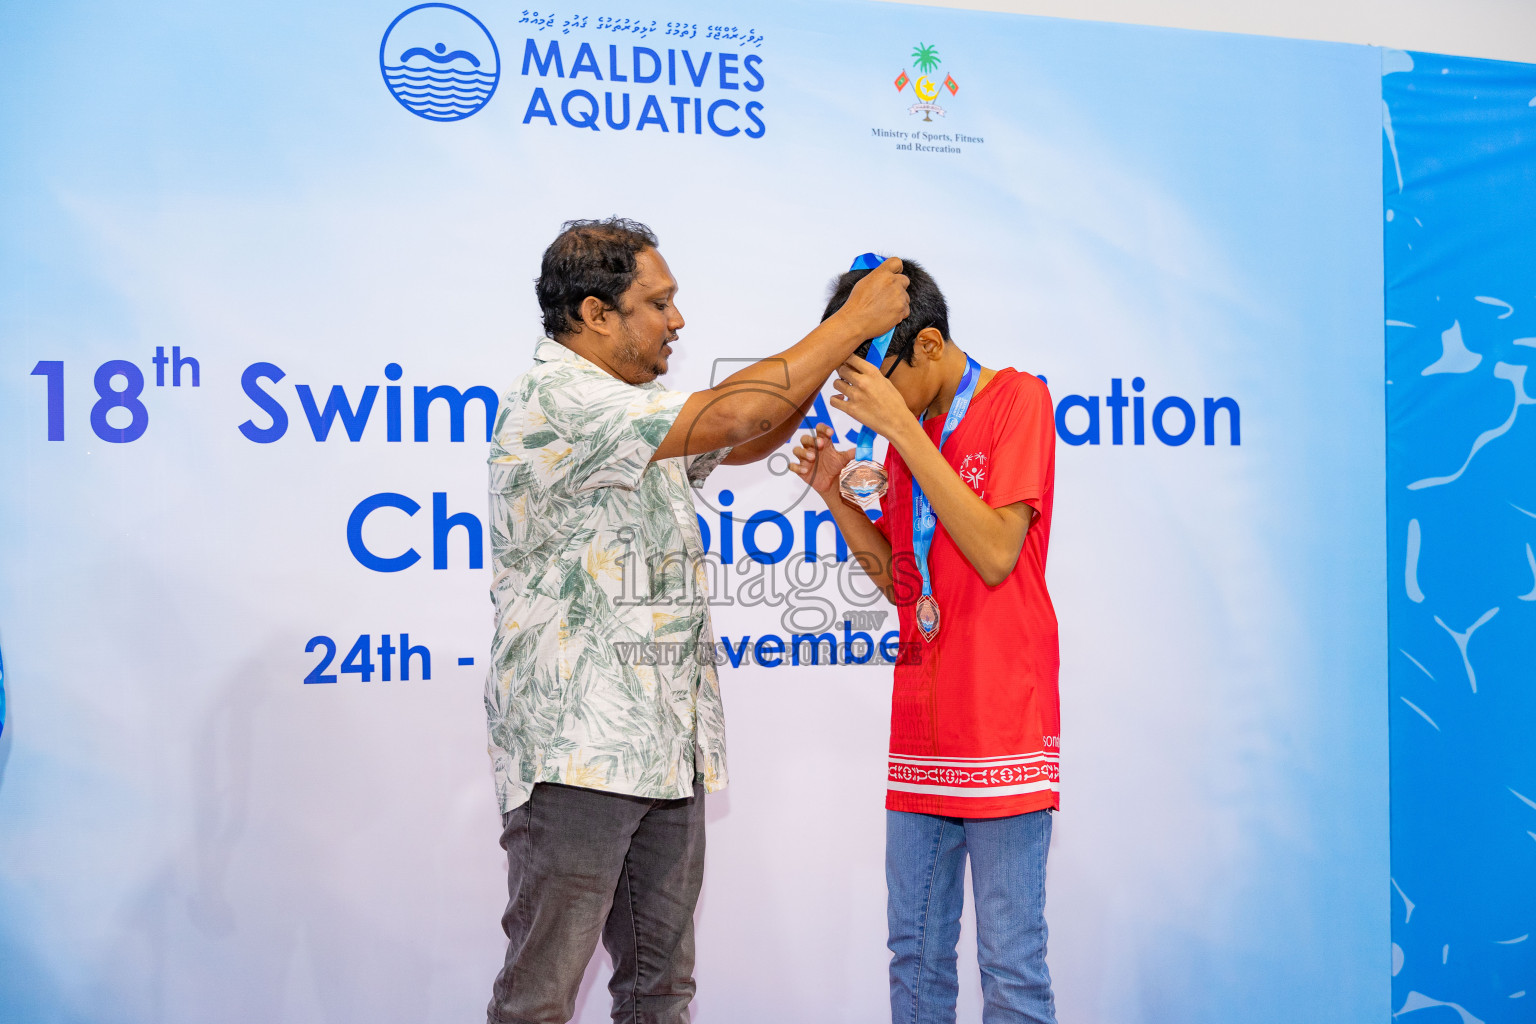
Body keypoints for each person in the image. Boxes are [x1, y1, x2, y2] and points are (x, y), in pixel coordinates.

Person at [484, 217, 909, 1024]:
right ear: (595, 313)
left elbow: (744, 435)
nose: (678, 320)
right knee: (539, 999)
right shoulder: (561, 398)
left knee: (661, 993)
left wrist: (829, 352)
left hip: (665, 750)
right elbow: (726, 418)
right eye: (659, 302)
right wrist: (849, 323)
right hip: (580, 756)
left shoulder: (633, 404)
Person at [791, 259, 1060, 1024]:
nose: (864, 408)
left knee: (1010, 965)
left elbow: (995, 551)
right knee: (914, 957)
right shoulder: (912, 439)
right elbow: (905, 590)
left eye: (874, 381)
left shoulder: (1018, 399)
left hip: (1003, 722)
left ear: (931, 345)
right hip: (922, 727)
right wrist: (837, 499)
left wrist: (903, 431)